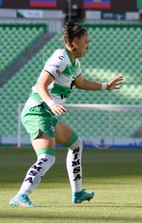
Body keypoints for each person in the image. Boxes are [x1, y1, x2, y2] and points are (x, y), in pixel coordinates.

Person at [10, 21, 123, 207]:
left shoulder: (75, 63)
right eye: (86, 41)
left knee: (76, 144)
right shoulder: (60, 57)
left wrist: (105, 86)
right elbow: (40, 85)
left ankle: (78, 194)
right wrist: (51, 103)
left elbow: (81, 83)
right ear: (75, 41)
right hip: (38, 110)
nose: (88, 46)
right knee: (47, 157)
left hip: (48, 113)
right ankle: (21, 195)